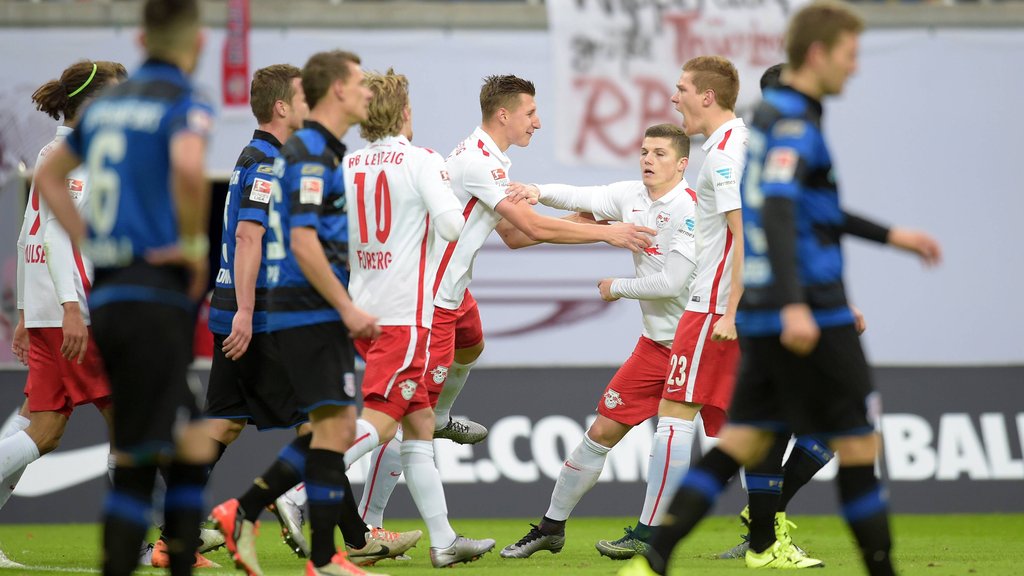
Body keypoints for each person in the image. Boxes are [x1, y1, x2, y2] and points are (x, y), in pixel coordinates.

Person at [620, 3, 941, 575]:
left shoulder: (764, 125)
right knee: (856, 441)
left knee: (745, 440)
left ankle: (663, 555)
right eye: (849, 55)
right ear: (817, 55)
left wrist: (892, 236)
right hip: (805, 306)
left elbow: (812, 208)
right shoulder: (789, 123)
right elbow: (777, 218)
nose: (856, 68)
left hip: (766, 308)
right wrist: (796, 302)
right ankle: (839, 559)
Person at [345, 73, 656, 531]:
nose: (538, 123)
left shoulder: (488, 160)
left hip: (453, 294)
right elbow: (531, 227)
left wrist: (579, 218)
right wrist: (606, 232)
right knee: (407, 416)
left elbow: (512, 234)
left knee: (472, 346)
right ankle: (365, 517)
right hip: (430, 300)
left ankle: (445, 416)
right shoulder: (477, 162)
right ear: (504, 115)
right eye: (531, 114)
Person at [34, 0, 220, 574]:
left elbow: (47, 176)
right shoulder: (180, 101)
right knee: (181, 440)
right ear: (198, 44)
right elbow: (190, 167)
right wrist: (192, 248)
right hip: (153, 294)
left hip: (109, 296)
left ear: (141, 39)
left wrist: (93, 241)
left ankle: (142, 556)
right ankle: (170, 557)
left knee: (150, 436)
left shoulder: (108, 107)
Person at [210, 50, 395, 576]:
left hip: (300, 309)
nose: (367, 92)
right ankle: (289, 536)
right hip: (309, 310)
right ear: (336, 90)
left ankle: (299, 543)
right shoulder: (311, 154)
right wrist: (347, 307)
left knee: (329, 432)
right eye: (360, 83)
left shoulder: (310, 150)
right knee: (329, 430)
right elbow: (303, 241)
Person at [497, 123, 698, 559]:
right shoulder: (632, 197)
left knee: (699, 434)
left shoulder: (689, 211)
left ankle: (655, 535)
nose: (648, 159)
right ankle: (551, 527)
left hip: (695, 344)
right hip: (654, 344)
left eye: (660, 153)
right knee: (601, 432)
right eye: (644, 151)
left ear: (682, 164)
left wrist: (616, 287)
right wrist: (535, 189)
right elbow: (580, 196)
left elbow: (672, 283)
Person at [335, 67, 506, 569]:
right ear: (405, 112)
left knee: (421, 421)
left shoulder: (348, 164)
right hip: (407, 316)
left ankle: (444, 541)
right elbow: (453, 227)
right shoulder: (422, 160)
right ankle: (300, 485)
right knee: (383, 425)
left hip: (361, 308)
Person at [593, 55, 749, 561]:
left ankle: (652, 534)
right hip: (731, 307)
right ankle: (767, 529)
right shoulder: (744, 143)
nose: (673, 97)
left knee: (675, 414)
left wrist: (728, 309)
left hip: (709, 309)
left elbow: (739, 236)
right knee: (748, 423)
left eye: (681, 88)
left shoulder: (722, 155)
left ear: (707, 96)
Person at [1, 59, 126, 570]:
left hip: (52, 308)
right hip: (77, 313)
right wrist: (72, 309)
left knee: (43, 430)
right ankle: (148, 539)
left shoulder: (52, 151)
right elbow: (54, 235)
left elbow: (29, 231)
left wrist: (29, 311)